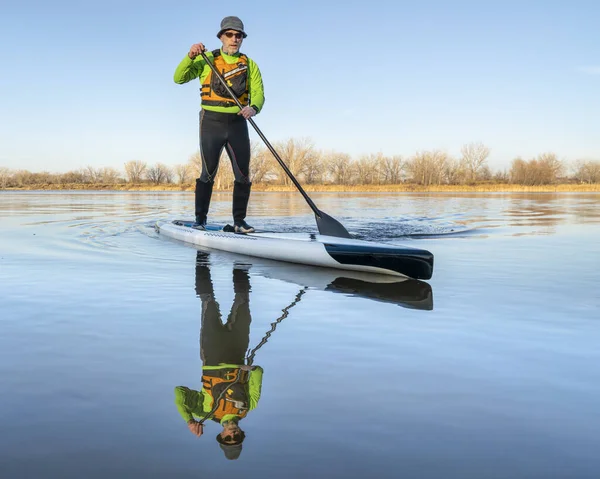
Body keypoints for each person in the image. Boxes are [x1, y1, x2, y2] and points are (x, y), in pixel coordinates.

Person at [173, 16, 265, 233]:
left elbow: (259, 94)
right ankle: (200, 220)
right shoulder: (206, 60)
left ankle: (239, 222)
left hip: (237, 123)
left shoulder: (249, 64)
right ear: (221, 37)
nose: (234, 39)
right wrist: (189, 56)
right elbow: (178, 78)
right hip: (211, 121)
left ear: (242, 38)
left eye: (239, 35)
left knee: (243, 175)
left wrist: (253, 108)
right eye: (230, 35)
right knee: (208, 173)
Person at [174, 252, 263, 460]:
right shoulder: (249, 407)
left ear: (221, 435)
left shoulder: (204, 411)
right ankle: (240, 253)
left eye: (228, 439)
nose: (232, 436)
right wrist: (249, 369)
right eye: (236, 438)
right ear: (241, 433)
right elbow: (258, 372)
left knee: (208, 300)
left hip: (212, 353)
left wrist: (188, 420)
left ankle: (201, 254)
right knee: (243, 298)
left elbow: (179, 392)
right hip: (238, 350)